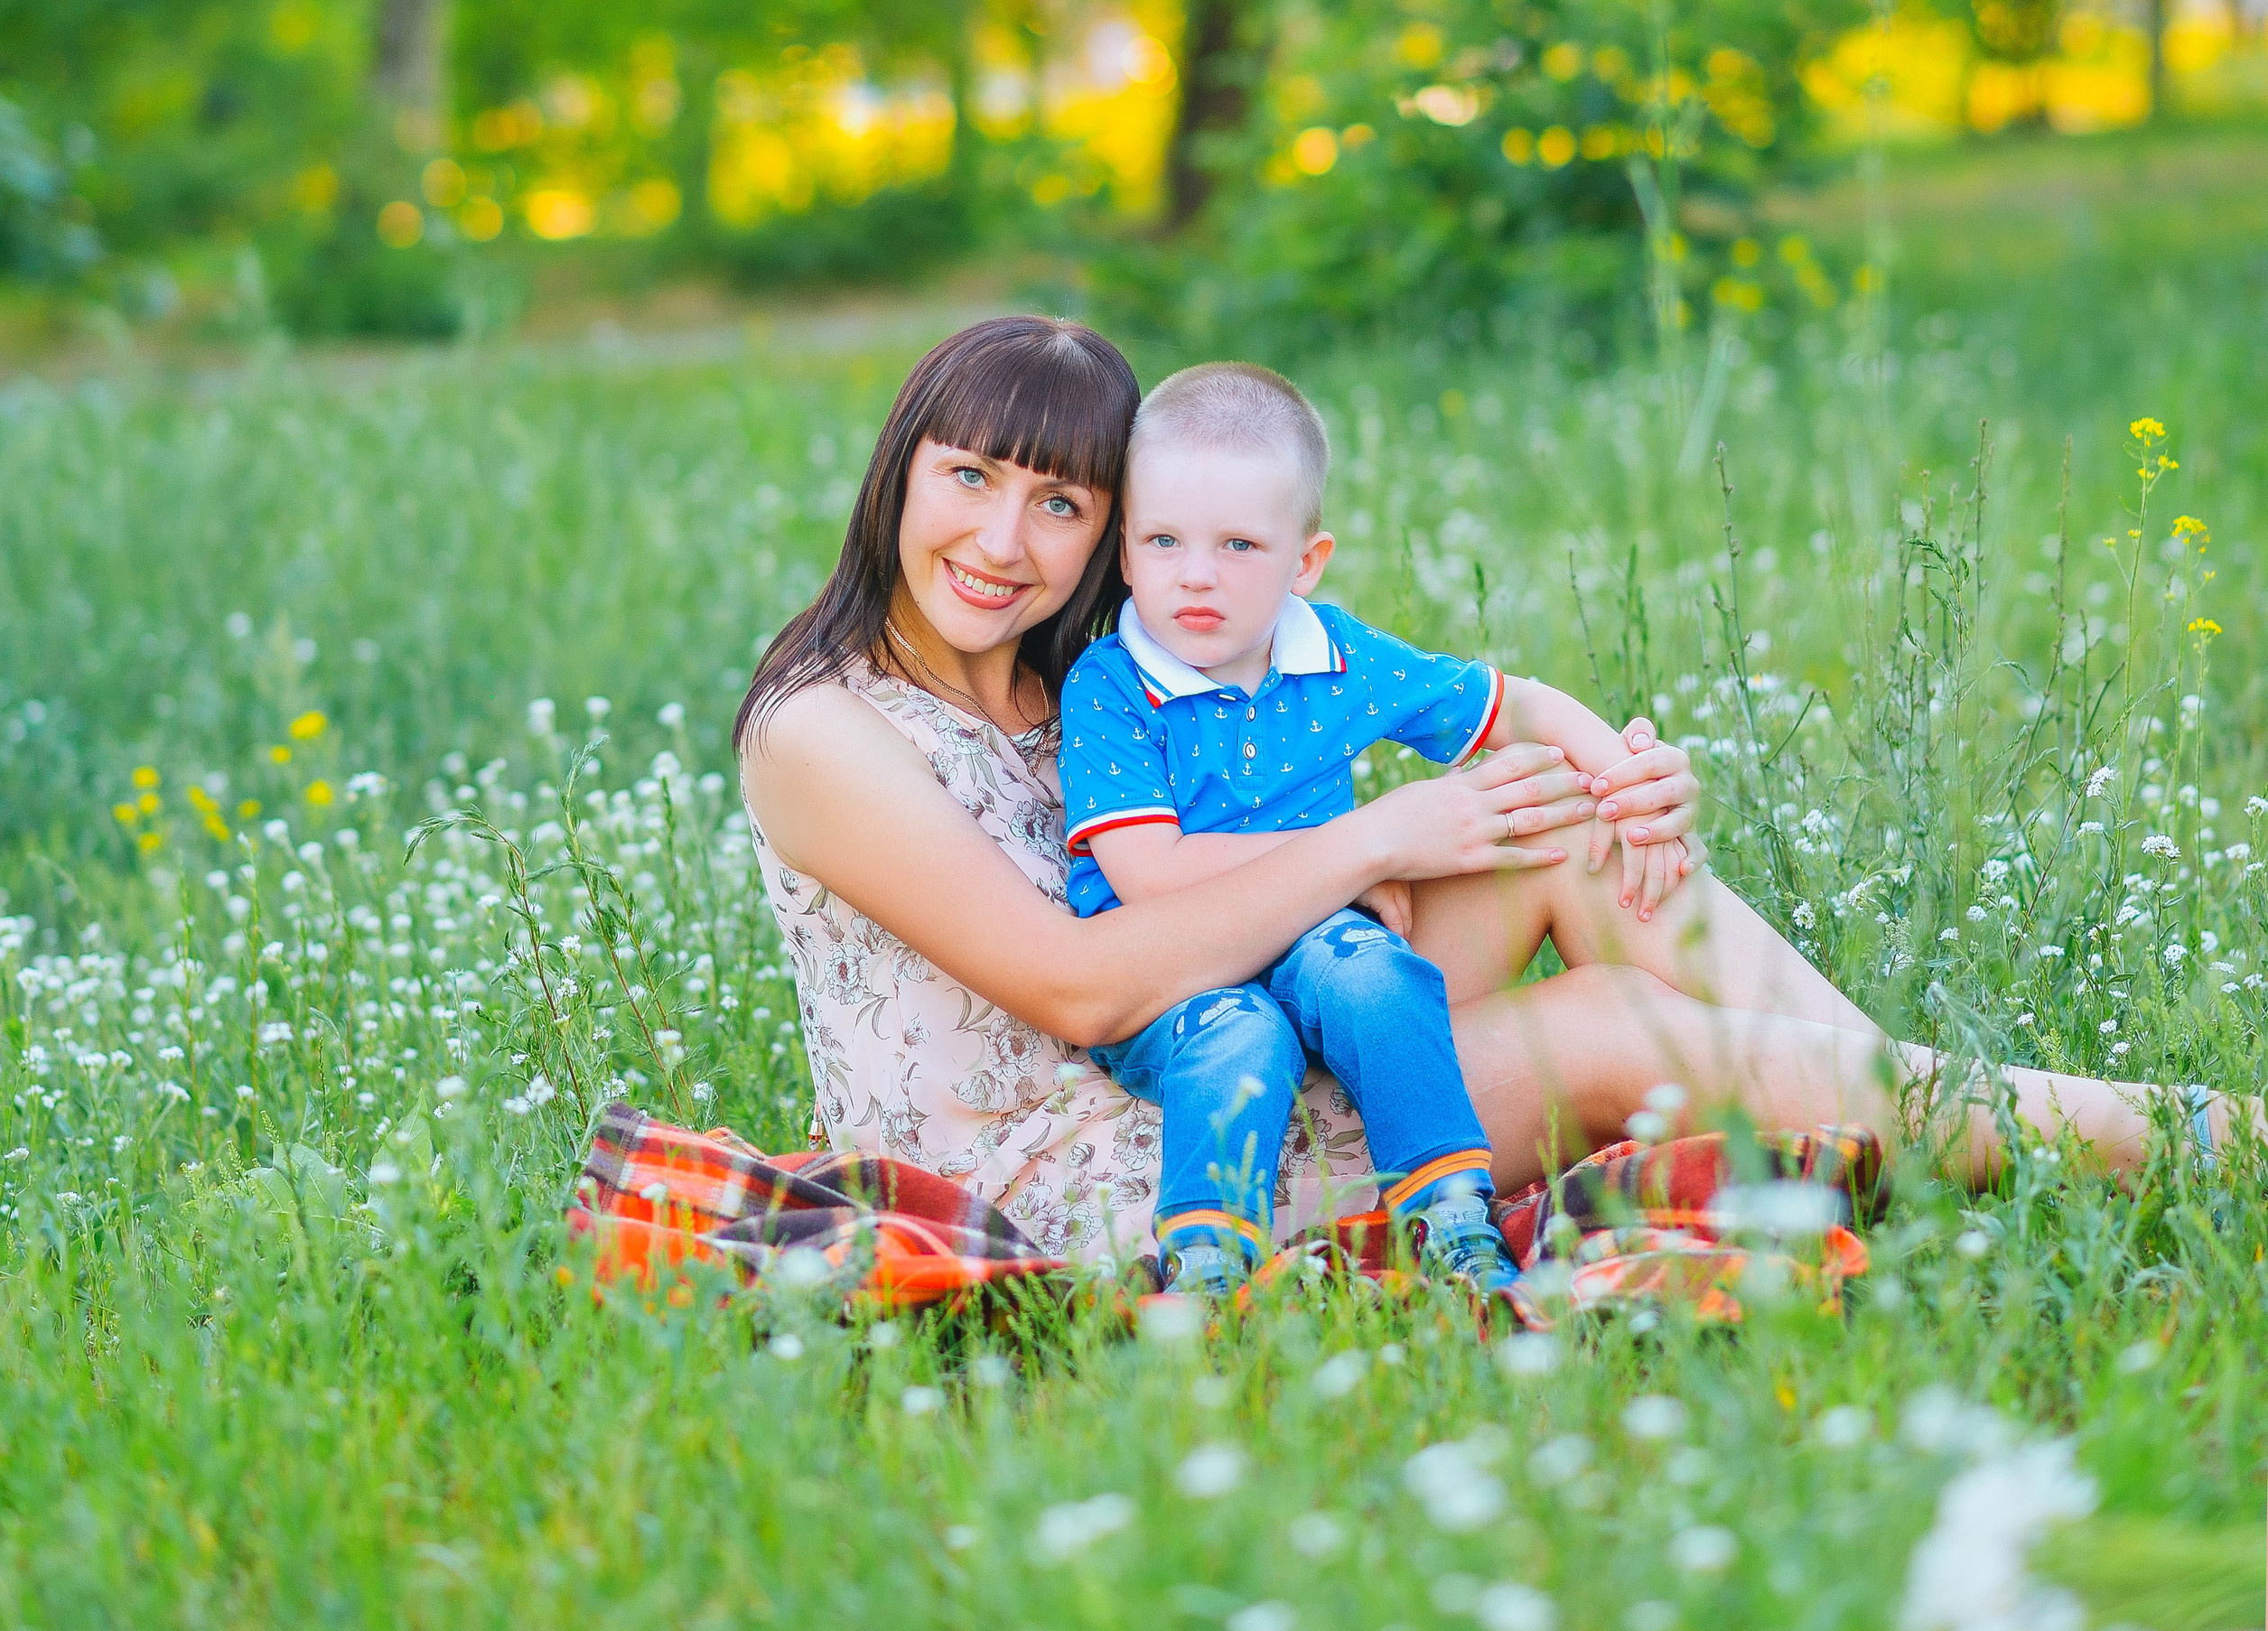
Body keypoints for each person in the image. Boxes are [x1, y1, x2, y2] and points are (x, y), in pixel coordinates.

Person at [734, 314, 2250, 1272]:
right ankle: (2192, 1140)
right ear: (898, 479)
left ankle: (1922, 1116)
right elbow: (1071, 986)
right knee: (1598, 1025)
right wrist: (1372, 845)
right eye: (969, 479)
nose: (1008, 537)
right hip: (1105, 1166)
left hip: (1263, 1025)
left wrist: (1615, 769)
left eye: (1061, 502)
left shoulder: (1085, 679)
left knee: (1553, 813)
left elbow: (1358, 737)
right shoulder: (825, 733)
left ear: (1111, 534)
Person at [1061, 360, 1693, 1300]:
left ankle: (1448, 1216)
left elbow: (1509, 703)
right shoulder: (1111, 682)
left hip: (1317, 936)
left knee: (1378, 972)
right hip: (1170, 966)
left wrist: (1627, 775)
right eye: (1163, 541)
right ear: (1123, 551)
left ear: (1303, 563)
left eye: (1239, 544)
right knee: (1239, 1035)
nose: (1196, 575)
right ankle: (1206, 1265)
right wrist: (1362, 850)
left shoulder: (1334, 653)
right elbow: (1149, 872)